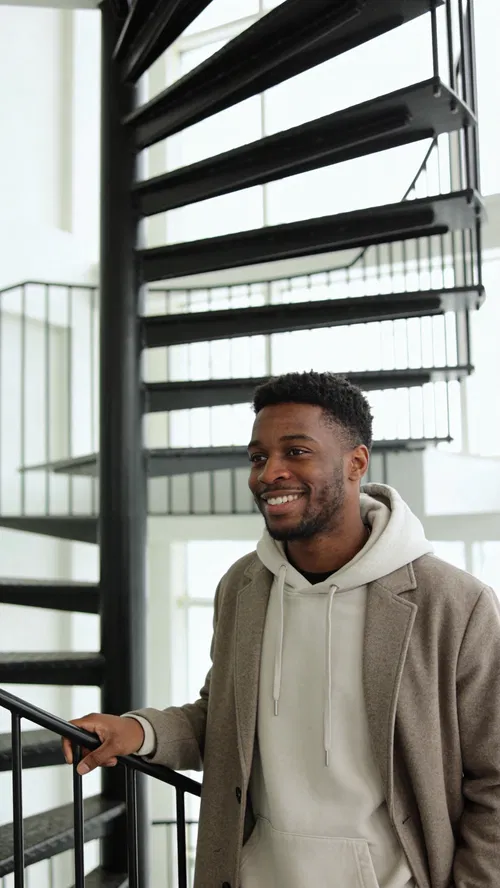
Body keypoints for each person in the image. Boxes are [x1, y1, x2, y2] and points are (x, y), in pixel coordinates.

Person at [63, 371, 500, 888]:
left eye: (296, 452)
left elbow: (494, 779)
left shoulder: (453, 602)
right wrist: (141, 731)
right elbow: (224, 722)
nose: (269, 473)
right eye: (258, 456)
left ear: (356, 463)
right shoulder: (242, 587)